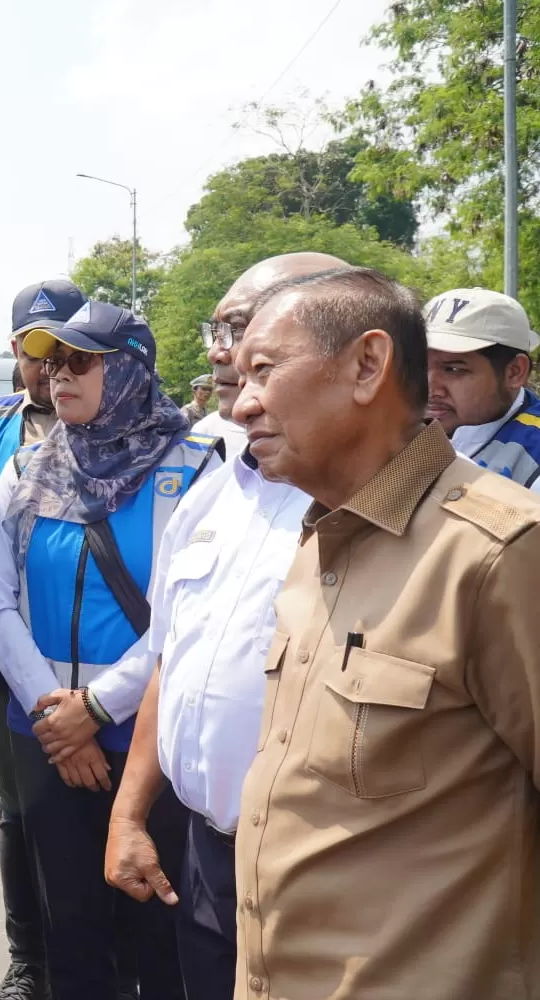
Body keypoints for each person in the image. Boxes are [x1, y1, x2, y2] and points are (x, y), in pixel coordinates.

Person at [231, 266, 540, 998]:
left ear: (368, 366)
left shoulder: (498, 552)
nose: (243, 405)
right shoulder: (321, 541)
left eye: (265, 370)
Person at [101, 253, 345, 1000]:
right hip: (208, 855)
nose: (218, 350)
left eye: (239, 328)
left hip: (337, 882)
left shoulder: (401, 515)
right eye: (220, 329)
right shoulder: (215, 488)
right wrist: (130, 813)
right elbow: (176, 660)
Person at [0, 301, 224, 1000]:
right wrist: (55, 717)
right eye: (51, 361)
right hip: (44, 732)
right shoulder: (26, 470)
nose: (58, 376)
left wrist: (96, 705)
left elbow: (187, 615)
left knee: (158, 930)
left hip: (147, 734)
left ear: (130, 369)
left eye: (79, 360)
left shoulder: (199, 470)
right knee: (71, 930)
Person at [0, 278, 86, 999]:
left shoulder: (125, 425)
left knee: (97, 808)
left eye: (65, 347)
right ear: (16, 350)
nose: (50, 366)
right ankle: (29, 962)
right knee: (18, 810)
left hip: (96, 656)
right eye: (36, 349)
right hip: (2, 645)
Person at [193, 253, 347, 459]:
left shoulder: (389, 481)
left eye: (237, 327)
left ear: (366, 361)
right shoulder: (219, 483)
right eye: (216, 332)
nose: (215, 354)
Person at [424, 287, 540, 490]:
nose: (429, 387)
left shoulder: (533, 459)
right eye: (417, 365)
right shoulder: (397, 423)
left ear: (514, 372)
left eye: (452, 369)